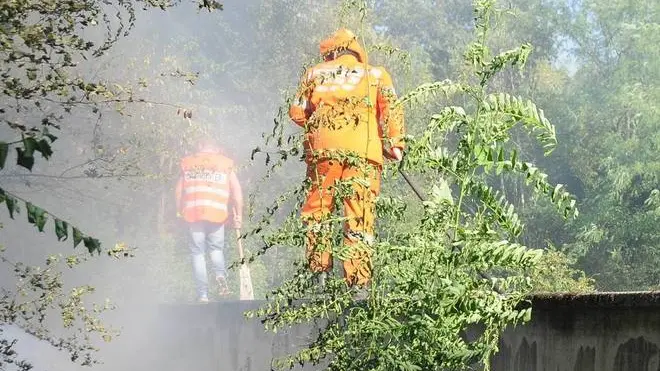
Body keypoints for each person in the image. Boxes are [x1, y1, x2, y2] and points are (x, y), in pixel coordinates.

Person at [288, 28, 405, 294]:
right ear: (357, 51)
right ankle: (359, 285)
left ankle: (320, 276)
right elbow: (391, 109)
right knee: (359, 215)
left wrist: (319, 129)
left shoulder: (314, 73)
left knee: (319, 212)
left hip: (323, 154)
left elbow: (296, 112)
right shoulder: (375, 74)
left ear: (330, 52)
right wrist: (394, 144)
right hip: (363, 153)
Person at [175, 138, 243, 303]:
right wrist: (239, 215)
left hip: (194, 214)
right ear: (217, 148)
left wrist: (179, 211)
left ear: (200, 146)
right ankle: (220, 275)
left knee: (198, 253)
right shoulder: (225, 163)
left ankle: (203, 294)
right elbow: (236, 191)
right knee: (216, 250)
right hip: (217, 214)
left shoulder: (188, 162)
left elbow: (178, 191)